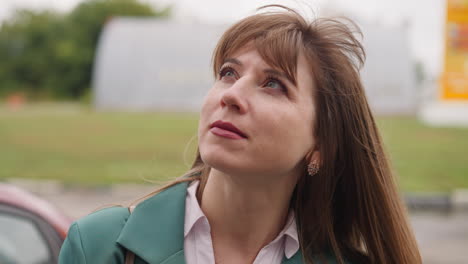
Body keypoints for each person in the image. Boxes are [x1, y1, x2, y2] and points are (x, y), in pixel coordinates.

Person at [58, 5, 422, 264]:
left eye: (274, 84)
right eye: (228, 73)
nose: (230, 95)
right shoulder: (99, 246)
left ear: (319, 146)